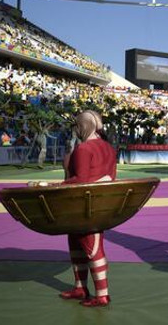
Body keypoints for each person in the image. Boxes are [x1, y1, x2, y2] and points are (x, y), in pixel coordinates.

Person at [60, 110, 117, 307]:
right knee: (77, 244)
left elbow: (80, 181)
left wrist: (58, 182)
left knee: (92, 249)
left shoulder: (83, 149)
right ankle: (80, 287)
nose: (75, 130)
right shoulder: (109, 148)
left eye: (77, 125)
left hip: (83, 207)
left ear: (82, 127)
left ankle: (102, 294)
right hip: (101, 205)